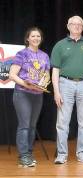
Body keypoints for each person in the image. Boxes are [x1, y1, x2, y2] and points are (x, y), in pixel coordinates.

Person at [51, 15, 83, 164]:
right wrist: (56, 91)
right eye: (74, 24)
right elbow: (55, 71)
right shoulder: (59, 45)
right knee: (62, 122)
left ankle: (82, 153)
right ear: (68, 26)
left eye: (80, 25)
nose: (77, 26)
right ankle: (61, 154)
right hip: (65, 84)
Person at [9, 27, 50, 167]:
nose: (36, 38)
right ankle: (23, 156)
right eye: (33, 36)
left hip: (37, 95)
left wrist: (42, 84)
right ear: (28, 39)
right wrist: (26, 85)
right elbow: (12, 75)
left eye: (38, 36)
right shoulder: (22, 54)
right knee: (24, 126)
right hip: (22, 94)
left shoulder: (45, 56)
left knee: (32, 126)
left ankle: (29, 153)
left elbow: (46, 75)